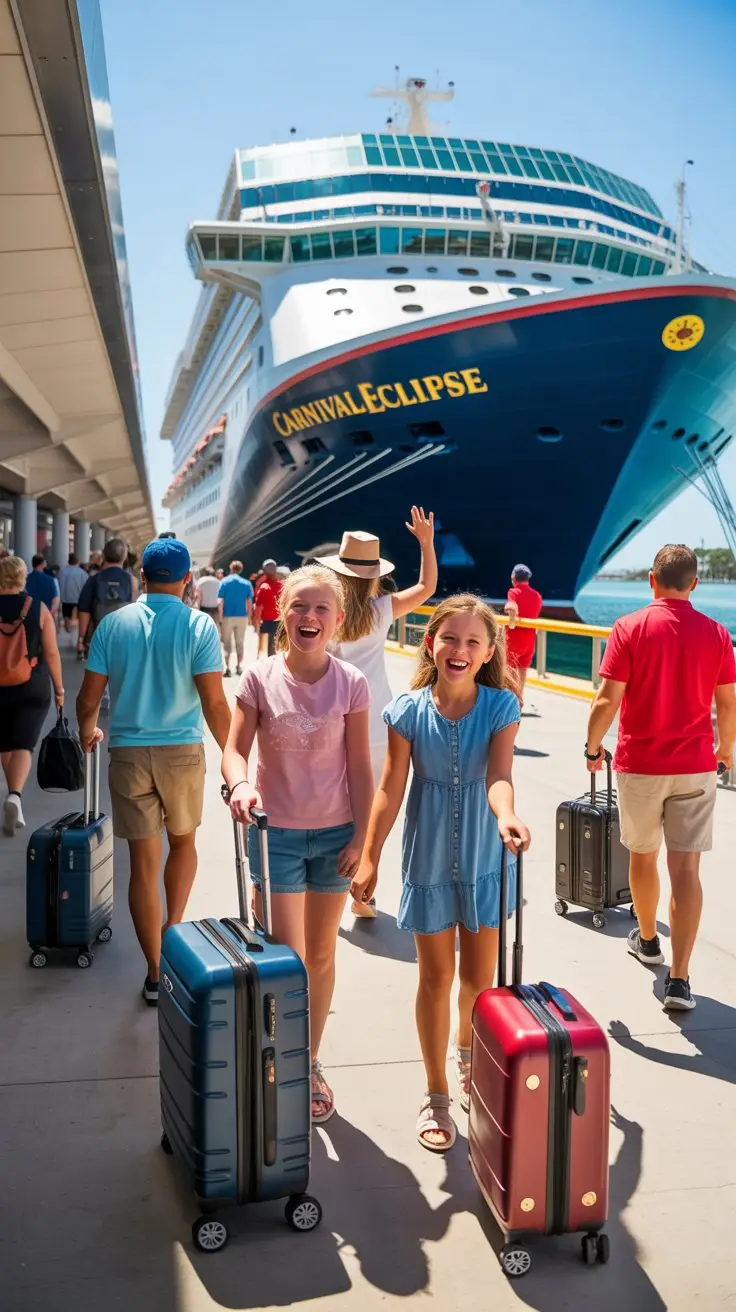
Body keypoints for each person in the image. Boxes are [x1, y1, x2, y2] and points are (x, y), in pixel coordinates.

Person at [350, 595, 529, 1151]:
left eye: (473, 642)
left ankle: (470, 1057)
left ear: (488, 652)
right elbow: (388, 789)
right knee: (435, 979)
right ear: (431, 643)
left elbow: (499, 776)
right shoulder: (407, 710)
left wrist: (507, 816)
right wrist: (371, 853)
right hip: (427, 860)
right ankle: (436, 1093)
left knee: (479, 981)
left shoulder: (501, 707)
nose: (460, 649)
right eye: (450, 638)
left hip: (484, 858)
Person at [222, 564, 373, 1123]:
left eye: (321, 609)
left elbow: (360, 766)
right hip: (277, 835)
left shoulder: (351, 684)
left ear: (337, 620)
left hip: (336, 835)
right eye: (299, 607)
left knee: (324, 952)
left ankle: (307, 1061)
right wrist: (238, 783)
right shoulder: (259, 678)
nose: (309, 617)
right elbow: (235, 748)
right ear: (281, 612)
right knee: (290, 959)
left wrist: (365, 837)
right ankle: (280, 1058)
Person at [76, 538, 231, 1006]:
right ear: (187, 580)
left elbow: (88, 700)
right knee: (183, 844)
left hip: (126, 752)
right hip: (182, 752)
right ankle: (173, 929)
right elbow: (215, 702)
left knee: (142, 864)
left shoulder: (113, 624)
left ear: (140, 576)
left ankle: (153, 970)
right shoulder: (199, 626)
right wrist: (234, 758)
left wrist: (88, 731)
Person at [585, 544, 736, 1013]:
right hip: (695, 765)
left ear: (651, 580)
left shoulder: (629, 628)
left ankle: (648, 940)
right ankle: (681, 979)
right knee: (686, 870)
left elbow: (607, 700)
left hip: (641, 765)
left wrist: (592, 748)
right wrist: (724, 752)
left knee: (643, 857)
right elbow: (729, 703)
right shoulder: (716, 633)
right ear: (695, 584)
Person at [316, 508, 438, 919]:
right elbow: (427, 586)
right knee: (373, 808)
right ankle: (363, 891)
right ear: (374, 574)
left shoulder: (327, 611)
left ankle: (330, 883)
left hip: (334, 716)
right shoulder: (381, 609)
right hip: (378, 717)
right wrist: (426, 542)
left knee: (336, 803)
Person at [0, 555, 64, 835]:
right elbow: (51, 652)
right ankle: (15, 795)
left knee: (5, 746)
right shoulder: (37, 609)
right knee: (24, 745)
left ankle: (14, 796)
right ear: (21, 578)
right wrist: (60, 689)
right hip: (32, 685)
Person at [77, 538, 133, 658]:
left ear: (104, 555)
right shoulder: (132, 581)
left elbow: (84, 611)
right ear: (124, 557)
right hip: (124, 639)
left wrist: (82, 638)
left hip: (98, 639)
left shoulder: (94, 580)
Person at [504, 564, 543, 702]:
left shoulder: (513, 592)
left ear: (513, 577)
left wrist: (512, 613)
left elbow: (512, 605)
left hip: (514, 638)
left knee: (509, 670)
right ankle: (519, 699)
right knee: (522, 670)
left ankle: (510, 700)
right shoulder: (537, 596)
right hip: (530, 639)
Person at [218, 560, 254, 676]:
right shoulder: (246, 583)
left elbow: (220, 601)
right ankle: (238, 666)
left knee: (227, 642)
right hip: (242, 616)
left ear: (230, 568)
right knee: (240, 642)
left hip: (227, 616)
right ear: (241, 569)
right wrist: (249, 616)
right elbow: (249, 601)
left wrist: (220, 616)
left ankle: (227, 668)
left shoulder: (224, 582)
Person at [254, 558, 283, 658]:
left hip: (266, 622)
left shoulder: (263, 587)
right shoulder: (282, 586)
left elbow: (258, 610)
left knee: (265, 653)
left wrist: (256, 625)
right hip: (280, 622)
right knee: (277, 649)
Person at [58, 553, 89, 642]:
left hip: (65, 600)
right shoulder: (83, 573)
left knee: (66, 617)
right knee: (76, 620)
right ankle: (74, 638)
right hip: (78, 600)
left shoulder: (62, 572)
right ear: (78, 561)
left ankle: (68, 633)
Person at [25, 554, 60, 621]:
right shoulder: (51, 580)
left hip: (29, 614)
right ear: (43, 564)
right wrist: (50, 615)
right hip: (45, 613)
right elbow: (55, 599)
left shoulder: (26, 579)